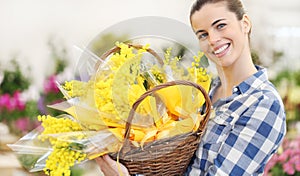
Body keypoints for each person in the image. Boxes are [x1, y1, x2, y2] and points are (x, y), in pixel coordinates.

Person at [95, 0, 287, 175]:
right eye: (203, 34)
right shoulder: (204, 94)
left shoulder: (263, 104)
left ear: (245, 23)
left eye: (220, 26)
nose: (212, 39)